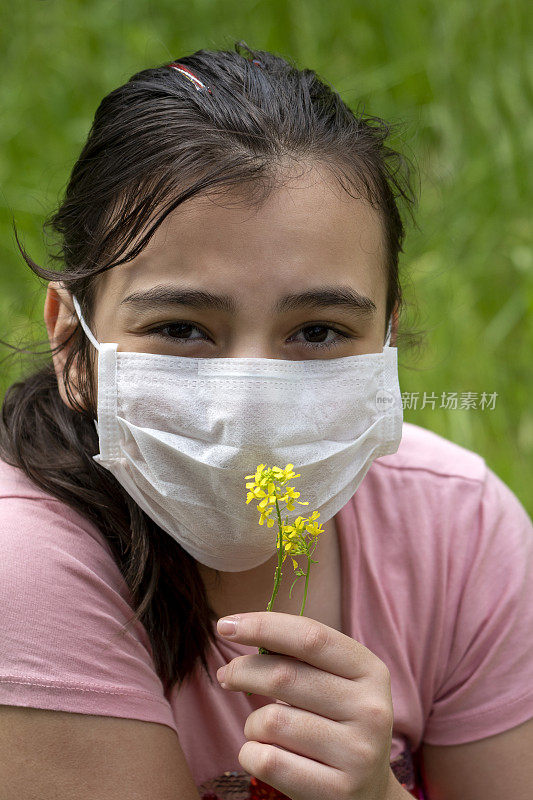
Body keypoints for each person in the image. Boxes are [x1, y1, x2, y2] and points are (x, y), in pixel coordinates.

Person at [0, 42, 531, 800]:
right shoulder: (19, 561)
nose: (248, 403)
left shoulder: (460, 529)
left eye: (316, 331)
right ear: (71, 343)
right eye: (181, 327)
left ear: (386, 337)